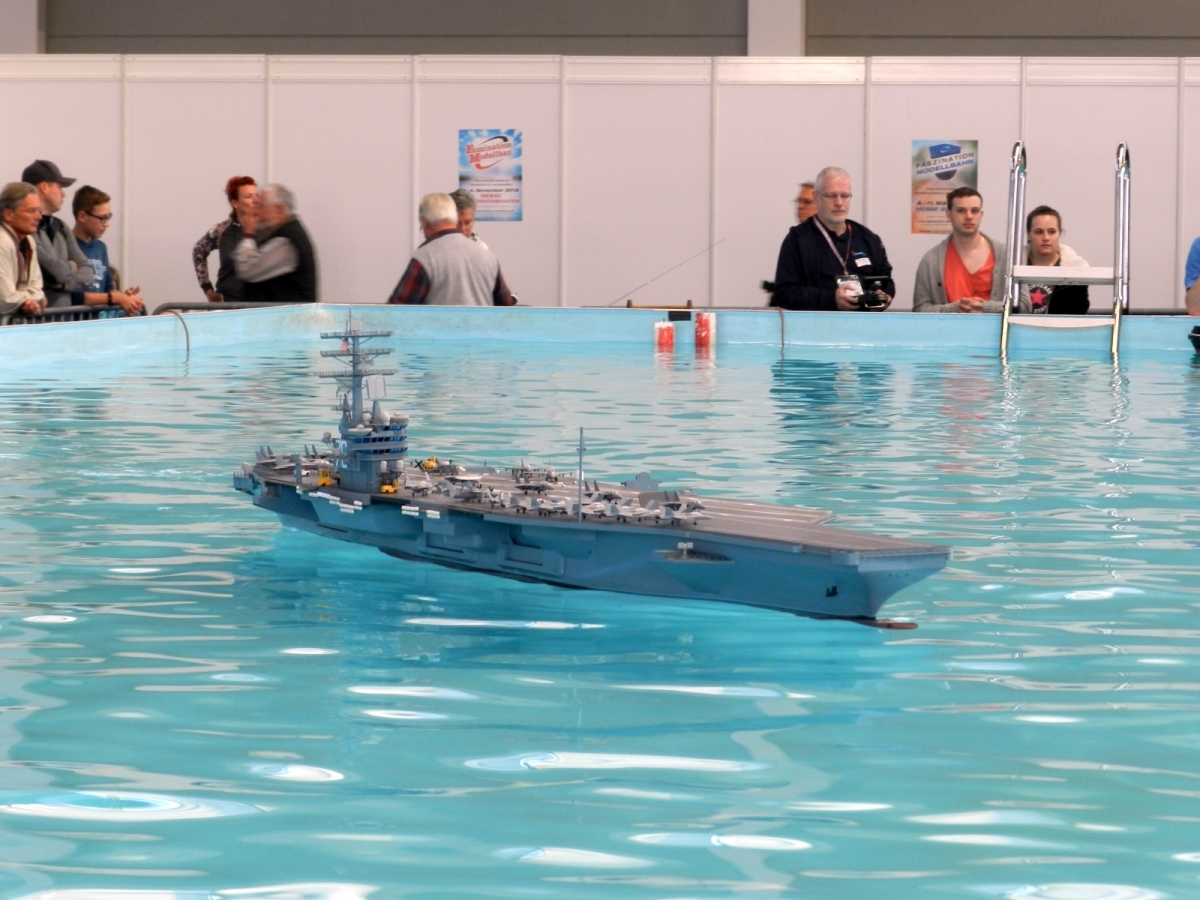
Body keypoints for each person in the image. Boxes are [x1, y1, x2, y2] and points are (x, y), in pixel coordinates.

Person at [769, 167, 893, 311]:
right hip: (817, 323)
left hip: (864, 322)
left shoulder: (869, 239)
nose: (839, 202)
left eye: (845, 196)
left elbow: (887, 282)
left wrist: (883, 297)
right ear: (816, 197)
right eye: (832, 195)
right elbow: (784, 293)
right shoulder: (798, 240)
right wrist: (831, 298)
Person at [388, 192, 514, 306]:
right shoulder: (488, 257)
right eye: (460, 223)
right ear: (453, 219)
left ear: (424, 222)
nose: (463, 228)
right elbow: (506, 304)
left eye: (467, 222)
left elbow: (397, 310)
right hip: (482, 325)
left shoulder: (425, 258)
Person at [913, 188, 1023, 314]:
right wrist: (953, 309)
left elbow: (1024, 305)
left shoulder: (1007, 256)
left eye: (974, 211)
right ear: (949, 215)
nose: (969, 216)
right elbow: (919, 309)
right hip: (950, 327)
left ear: (981, 215)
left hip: (995, 327)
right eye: (961, 211)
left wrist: (987, 308)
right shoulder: (931, 261)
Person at [21, 159, 93, 308]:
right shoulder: (24, 227)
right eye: (59, 187)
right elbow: (54, 272)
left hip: (62, 318)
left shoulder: (61, 227)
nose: (63, 194)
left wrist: (64, 286)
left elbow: (88, 272)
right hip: (35, 318)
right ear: (44, 187)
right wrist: (72, 266)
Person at [232, 183, 317, 303]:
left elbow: (246, 269)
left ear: (279, 210)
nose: (256, 212)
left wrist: (248, 234)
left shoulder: (286, 242)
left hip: (289, 315)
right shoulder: (279, 233)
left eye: (261, 206)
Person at [71, 185, 145, 316]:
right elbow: (74, 296)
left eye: (108, 217)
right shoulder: (66, 246)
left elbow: (109, 288)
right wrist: (115, 298)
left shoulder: (101, 248)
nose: (107, 224)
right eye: (102, 218)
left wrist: (124, 298)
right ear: (82, 216)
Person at [193, 176, 256, 303]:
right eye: (249, 196)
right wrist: (206, 286)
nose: (255, 201)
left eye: (256, 196)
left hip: (259, 304)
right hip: (228, 302)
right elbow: (198, 251)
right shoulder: (221, 230)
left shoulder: (266, 228)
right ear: (235, 203)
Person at [1022, 205, 1089, 314]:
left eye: (1052, 232)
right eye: (1039, 232)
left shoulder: (1076, 270)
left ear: (1060, 234)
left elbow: (1078, 313)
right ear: (1028, 234)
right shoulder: (1012, 268)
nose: (1046, 238)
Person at [0, 182, 47, 322]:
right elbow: (4, 299)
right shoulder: (2, 242)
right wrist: (26, 300)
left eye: (39, 211)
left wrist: (25, 300)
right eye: (32, 211)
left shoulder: (29, 241)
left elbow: (38, 290)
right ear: (8, 214)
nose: (39, 217)